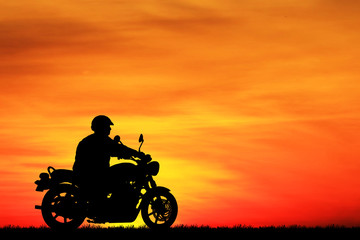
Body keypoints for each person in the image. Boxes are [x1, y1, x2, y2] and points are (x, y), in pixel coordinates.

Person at [73, 115, 145, 205]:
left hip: (87, 173)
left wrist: (126, 153)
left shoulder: (88, 140)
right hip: (94, 174)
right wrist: (137, 154)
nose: (110, 129)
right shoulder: (101, 140)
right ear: (101, 127)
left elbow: (116, 149)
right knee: (120, 180)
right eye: (108, 126)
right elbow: (118, 149)